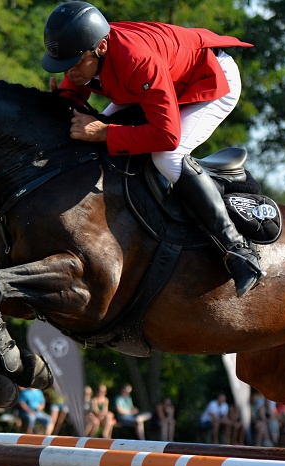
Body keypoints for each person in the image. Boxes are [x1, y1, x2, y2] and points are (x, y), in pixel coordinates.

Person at [41, 2, 262, 296]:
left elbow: (167, 136)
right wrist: (63, 100)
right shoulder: (89, 53)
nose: (70, 72)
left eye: (75, 63)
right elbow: (74, 88)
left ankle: (237, 249)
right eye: (64, 65)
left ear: (102, 47)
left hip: (208, 80)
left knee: (167, 157)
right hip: (151, 83)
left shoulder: (135, 59)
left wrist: (106, 132)